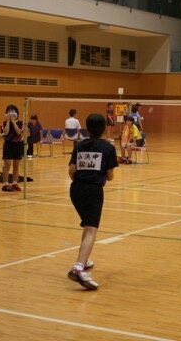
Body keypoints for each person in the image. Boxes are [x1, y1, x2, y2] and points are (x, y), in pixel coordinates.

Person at [67, 113, 118, 290]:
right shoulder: (108, 148)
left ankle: (84, 259)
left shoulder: (79, 145)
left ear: (87, 128)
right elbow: (110, 176)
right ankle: (78, 268)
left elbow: (71, 171)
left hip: (75, 190)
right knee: (91, 229)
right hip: (93, 191)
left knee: (87, 226)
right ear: (104, 128)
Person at [1, 104, 24, 192]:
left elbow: (19, 132)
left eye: (12, 111)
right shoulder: (4, 123)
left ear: (16, 113)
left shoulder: (20, 123)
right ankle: (6, 184)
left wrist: (14, 122)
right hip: (8, 144)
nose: (11, 113)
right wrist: (8, 122)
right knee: (7, 165)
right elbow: (6, 132)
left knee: (16, 165)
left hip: (17, 145)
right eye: (9, 111)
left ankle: (14, 183)